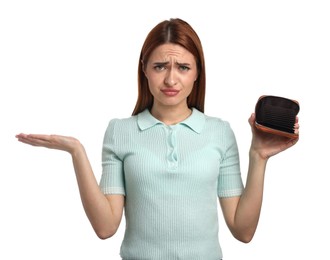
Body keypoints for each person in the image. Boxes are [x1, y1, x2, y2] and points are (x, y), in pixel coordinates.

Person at [16, 18, 299, 259]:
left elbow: (243, 230)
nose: (171, 80)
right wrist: (76, 151)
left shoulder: (219, 132)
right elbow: (105, 228)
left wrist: (258, 157)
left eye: (183, 68)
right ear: (145, 69)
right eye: (160, 66)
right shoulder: (120, 131)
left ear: (197, 72)